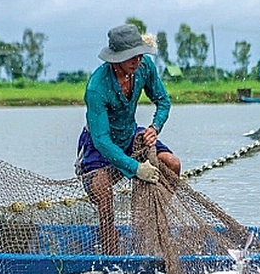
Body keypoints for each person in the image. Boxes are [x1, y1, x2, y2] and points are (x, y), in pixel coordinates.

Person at [76, 24, 181, 255]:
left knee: (172, 165)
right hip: (98, 144)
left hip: (131, 134)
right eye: (131, 57)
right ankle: (110, 253)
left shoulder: (144, 68)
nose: (137, 60)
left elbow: (163, 101)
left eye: (140, 54)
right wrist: (135, 168)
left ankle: (151, 229)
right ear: (116, 59)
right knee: (102, 191)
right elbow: (102, 140)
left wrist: (155, 128)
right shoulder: (97, 87)